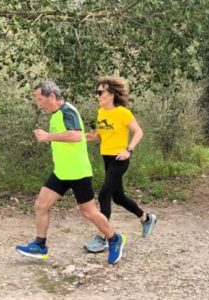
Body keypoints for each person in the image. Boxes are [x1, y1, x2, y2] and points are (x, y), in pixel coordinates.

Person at [16, 81, 125, 265]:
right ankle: (39, 245)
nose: (38, 103)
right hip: (61, 171)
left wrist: (48, 137)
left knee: (89, 212)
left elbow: (76, 135)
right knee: (41, 205)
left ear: (52, 96)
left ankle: (114, 239)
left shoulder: (67, 111)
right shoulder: (55, 114)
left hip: (77, 172)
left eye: (40, 99)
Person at [83, 76, 157, 253]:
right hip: (106, 158)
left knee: (104, 195)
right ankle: (146, 218)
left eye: (100, 92)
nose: (97, 95)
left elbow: (139, 132)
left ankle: (104, 237)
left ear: (112, 94)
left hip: (120, 158)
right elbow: (101, 134)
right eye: (97, 92)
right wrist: (90, 137)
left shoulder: (123, 112)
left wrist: (128, 150)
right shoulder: (101, 112)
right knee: (118, 197)